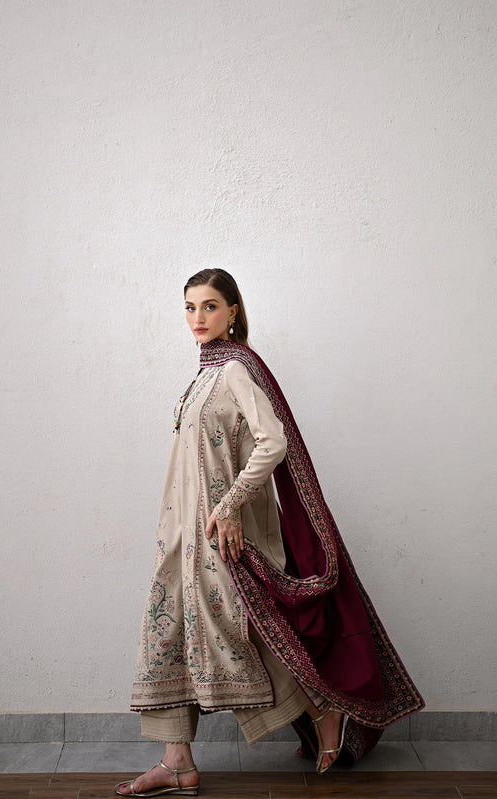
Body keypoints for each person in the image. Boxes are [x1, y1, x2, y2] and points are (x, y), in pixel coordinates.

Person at [115, 269, 423, 797]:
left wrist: (231, 504)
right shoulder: (205, 374)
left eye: (210, 306)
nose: (198, 318)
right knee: (169, 634)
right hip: (184, 538)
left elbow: (272, 441)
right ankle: (176, 762)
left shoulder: (236, 368)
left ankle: (324, 709)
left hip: (223, 537)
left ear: (232, 311)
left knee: (242, 634)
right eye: (189, 307)